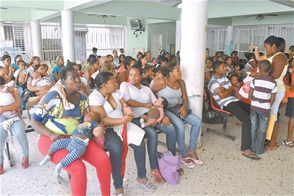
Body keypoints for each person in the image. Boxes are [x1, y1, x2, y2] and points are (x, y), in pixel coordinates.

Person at [31, 66, 111, 195]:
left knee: (103, 159)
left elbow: (87, 121)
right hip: (51, 139)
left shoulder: (83, 100)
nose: (78, 80)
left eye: (78, 77)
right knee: (78, 168)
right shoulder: (52, 97)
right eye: (72, 78)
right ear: (63, 81)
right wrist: (51, 134)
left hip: (77, 138)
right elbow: (34, 121)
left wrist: (97, 128)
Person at [89, 71, 156, 195]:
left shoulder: (116, 92)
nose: (116, 83)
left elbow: (123, 104)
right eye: (113, 82)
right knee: (116, 149)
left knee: (139, 143)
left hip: (123, 124)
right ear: (104, 85)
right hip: (107, 128)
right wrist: (123, 119)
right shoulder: (95, 96)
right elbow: (103, 119)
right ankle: (118, 186)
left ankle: (141, 177)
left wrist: (126, 109)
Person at [120, 65, 177, 183]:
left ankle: (171, 162)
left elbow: (155, 103)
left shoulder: (146, 88)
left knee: (171, 130)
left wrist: (163, 115)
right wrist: (145, 105)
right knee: (152, 134)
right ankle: (154, 168)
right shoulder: (125, 85)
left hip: (153, 114)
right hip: (137, 118)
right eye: (131, 74)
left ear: (141, 76)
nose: (132, 77)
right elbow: (127, 101)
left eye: (136, 75)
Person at [152, 63, 203, 168]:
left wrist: (184, 107)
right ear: (170, 73)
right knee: (179, 125)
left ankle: (191, 150)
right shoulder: (162, 82)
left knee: (197, 122)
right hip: (165, 109)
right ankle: (183, 153)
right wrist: (158, 107)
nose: (181, 72)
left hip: (177, 107)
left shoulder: (181, 82)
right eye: (178, 71)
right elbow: (150, 93)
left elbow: (184, 98)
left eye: (180, 70)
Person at [208, 60, 260, 159]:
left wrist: (228, 89)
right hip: (226, 103)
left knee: (254, 110)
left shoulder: (224, 78)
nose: (225, 68)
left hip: (233, 99)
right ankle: (245, 148)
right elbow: (223, 96)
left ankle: (254, 138)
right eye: (223, 67)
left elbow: (232, 90)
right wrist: (229, 89)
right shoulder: (213, 81)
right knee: (246, 119)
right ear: (217, 69)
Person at [39, 111, 105, 175]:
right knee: (58, 143)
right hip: (71, 139)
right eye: (89, 114)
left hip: (80, 143)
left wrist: (100, 128)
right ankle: (48, 156)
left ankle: (61, 165)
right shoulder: (81, 122)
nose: (89, 115)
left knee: (73, 155)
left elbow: (100, 126)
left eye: (92, 115)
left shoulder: (92, 123)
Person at [260, 36, 288, 151]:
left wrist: (259, 75)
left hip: (277, 89)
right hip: (271, 88)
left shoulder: (280, 57)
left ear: (274, 46)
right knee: (271, 114)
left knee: (273, 115)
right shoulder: (275, 56)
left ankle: (272, 142)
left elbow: (275, 75)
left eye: (267, 48)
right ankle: (268, 138)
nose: (266, 50)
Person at [0, 67, 29, 175]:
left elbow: (18, 106)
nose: (6, 77)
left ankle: (25, 155)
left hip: (14, 116)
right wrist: (11, 107)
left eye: (7, 74)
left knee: (21, 134)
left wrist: (2, 108)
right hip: (1, 119)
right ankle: (0, 162)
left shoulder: (13, 89)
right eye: (3, 75)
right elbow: (15, 105)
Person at [248, 60, 277, 155]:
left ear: (259, 70)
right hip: (265, 109)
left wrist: (253, 101)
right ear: (270, 70)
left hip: (254, 107)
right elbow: (273, 98)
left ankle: (253, 147)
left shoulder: (255, 80)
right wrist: (268, 105)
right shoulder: (273, 83)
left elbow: (250, 94)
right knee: (262, 130)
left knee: (253, 127)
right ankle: (259, 150)